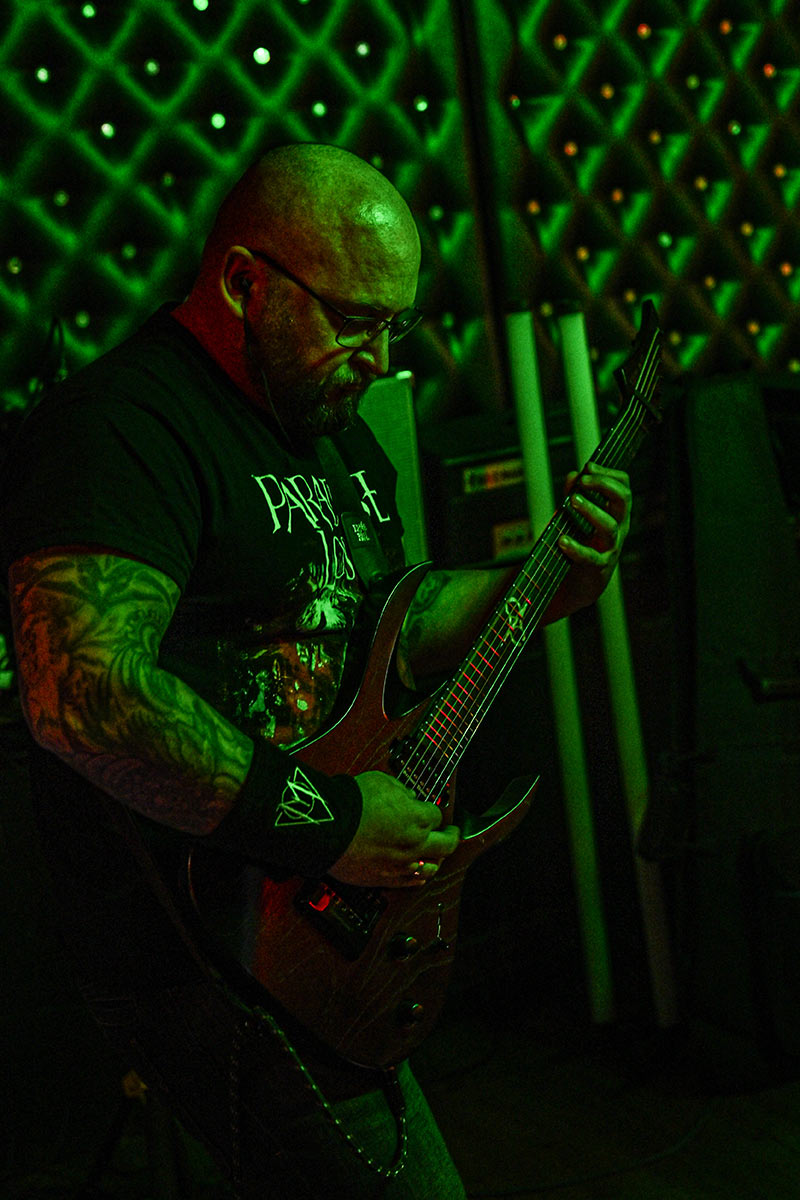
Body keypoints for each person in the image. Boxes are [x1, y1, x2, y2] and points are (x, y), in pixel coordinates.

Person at [2, 143, 631, 1199]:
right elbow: (85, 697)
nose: (378, 359)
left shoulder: (321, 423)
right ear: (244, 282)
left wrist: (535, 587)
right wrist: (333, 823)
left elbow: (387, 623)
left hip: (310, 926)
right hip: (199, 947)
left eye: (397, 326)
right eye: (353, 321)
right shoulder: (121, 430)